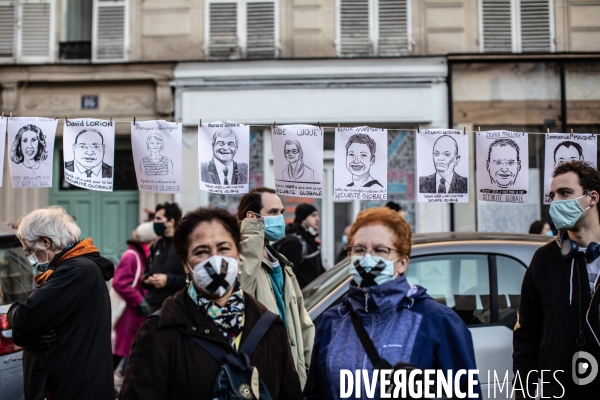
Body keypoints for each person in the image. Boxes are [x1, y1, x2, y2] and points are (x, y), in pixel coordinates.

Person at [119, 207, 303, 399]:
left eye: (224, 248)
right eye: (201, 251)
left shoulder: (269, 327)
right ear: (185, 264)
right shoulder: (159, 331)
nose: (215, 260)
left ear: (238, 253)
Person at [303, 207, 480, 399]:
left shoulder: (437, 321)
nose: (367, 258)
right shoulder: (332, 321)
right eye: (359, 249)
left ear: (402, 263)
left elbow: (466, 393)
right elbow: (315, 394)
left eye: (380, 250)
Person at [7, 206, 114, 400]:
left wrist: (13, 312)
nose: (31, 258)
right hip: (76, 383)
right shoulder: (78, 267)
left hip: (74, 387)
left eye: (30, 250)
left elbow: (26, 316)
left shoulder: (73, 271)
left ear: (46, 242)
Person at [514, 160, 600, 398]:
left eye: (565, 193)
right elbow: (526, 337)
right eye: (553, 195)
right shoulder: (544, 260)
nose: (556, 202)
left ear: (592, 198)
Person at [237, 187, 315, 387]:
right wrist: (251, 232)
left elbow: (303, 322)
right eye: (272, 213)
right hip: (260, 377)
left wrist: (307, 368)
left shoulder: (281, 262)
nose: (280, 218)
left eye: (281, 212)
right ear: (252, 217)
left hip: (292, 373)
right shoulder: (239, 260)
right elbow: (241, 291)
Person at [112, 221, 157, 392]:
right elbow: (120, 282)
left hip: (136, 313)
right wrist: (139, 301)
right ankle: (115, 383)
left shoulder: (140, 254)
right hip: (130, 313)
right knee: (124, 350)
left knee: (127, 350)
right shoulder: (132, 256)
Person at [143, 202, 186, 313]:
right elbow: (147, 272)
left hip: (175, 309)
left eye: (158, 218)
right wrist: (147, 279)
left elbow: (190, 279)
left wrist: (168, 280)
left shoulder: (183, 245)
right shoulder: (155, 245)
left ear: (171, 222)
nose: (155, 222)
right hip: (154, 308)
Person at [275, 203, 325, 289]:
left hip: (312, 296)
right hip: (301, 297)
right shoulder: (294, 242)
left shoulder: (309, 241)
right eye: (313, 216)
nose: (317, 219)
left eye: (317, 216)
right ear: (303, 219)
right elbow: (287, 276)